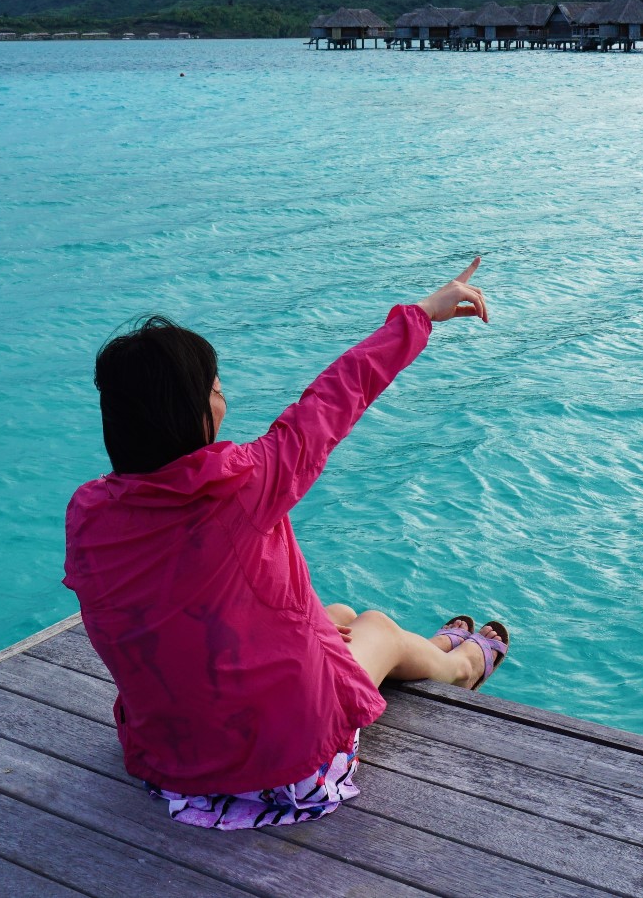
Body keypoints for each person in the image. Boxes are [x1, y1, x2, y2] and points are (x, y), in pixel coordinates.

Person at [63, 257, 511, 831]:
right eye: (217, 391)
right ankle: (460, 666)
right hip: (284, 775)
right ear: (194, 414)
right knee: (373, 625)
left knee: (335, 616)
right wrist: (421, 314)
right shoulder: (244, 482)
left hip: (172, 766)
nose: (224, 400)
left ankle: (378, 646)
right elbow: (334, 398)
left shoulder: (90, 514)